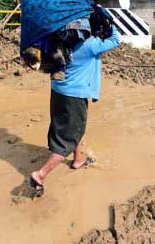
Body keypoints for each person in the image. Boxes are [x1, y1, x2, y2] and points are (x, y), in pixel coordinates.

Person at [29, 24, 121, 197]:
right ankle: (40, 175)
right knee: (67, 137)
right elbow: (116, 39)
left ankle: (78, 159)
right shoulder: (90, 44)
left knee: (73, 127)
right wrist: (109, 22)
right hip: (74, 95)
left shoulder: (58, 40)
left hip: (58, 90)